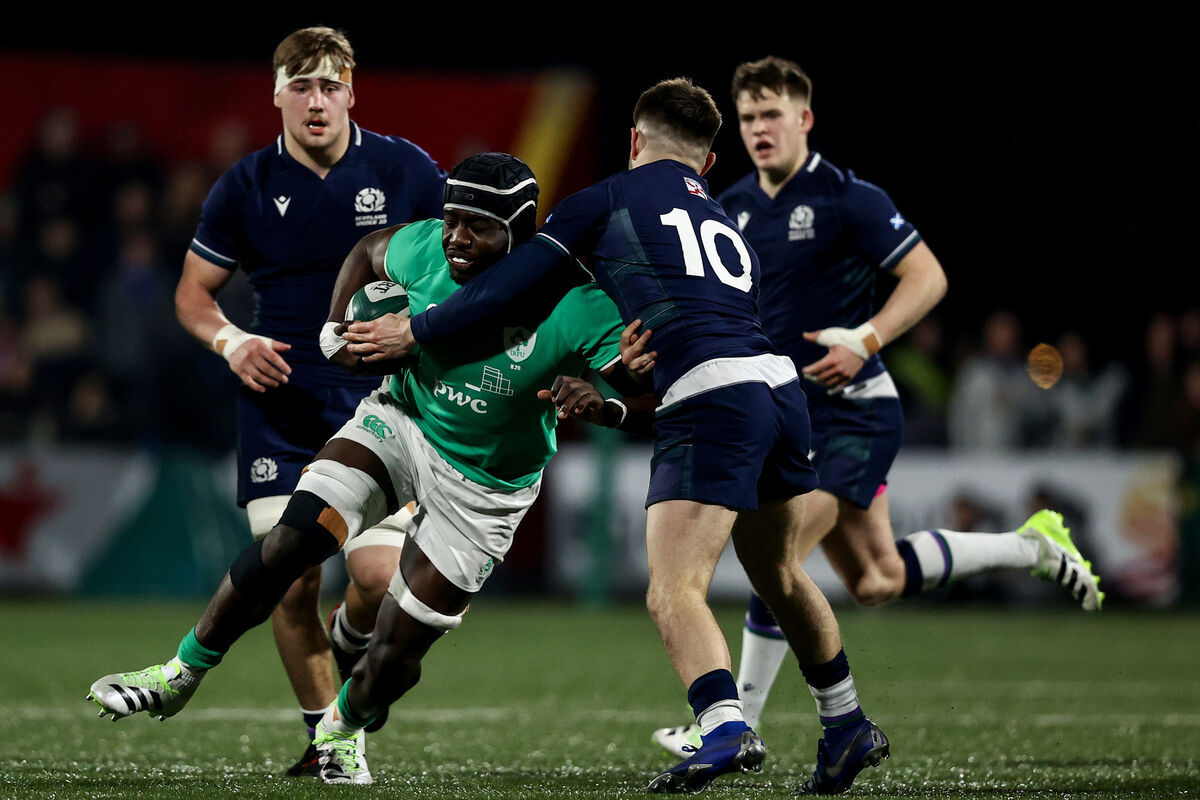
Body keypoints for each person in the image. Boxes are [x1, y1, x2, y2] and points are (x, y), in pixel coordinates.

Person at [360, 78, 889, 796]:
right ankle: (847, 722)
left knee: (674, 588)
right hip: (779, 389)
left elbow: (511, 286)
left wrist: (414, 328)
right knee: (782, 574)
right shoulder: (729, 224)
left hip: (713, 397)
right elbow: (675, 331)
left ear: (636, 141)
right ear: (707, 163)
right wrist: (610, 375)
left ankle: (726, 727)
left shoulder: (607, 199)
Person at [89, 152, 647, 785]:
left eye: (479, 227)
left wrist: (606, 403)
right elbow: (371, 248)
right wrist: (333, 326)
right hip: (401, 423)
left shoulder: (576, 299)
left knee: (396, 658)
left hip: (487, 486)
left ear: (519, 230)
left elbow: (636, 387)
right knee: (293, 540)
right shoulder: (427, 250)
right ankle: (180, 673)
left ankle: (341, 727)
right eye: (452, 219)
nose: (457, 238)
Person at [635, 56, 1104, 765]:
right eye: (751, 117)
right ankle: (1033, 546)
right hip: (789, 414)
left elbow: (930, 276)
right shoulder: (727, 207)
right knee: (876, 579)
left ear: (805, 119)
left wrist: (868, 338)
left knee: (777, 559)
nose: (762, 129)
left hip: (853, 413)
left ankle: (736, 721)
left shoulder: (845, 197)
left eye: (774, 115)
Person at [170, 26, 446, 776]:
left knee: (379, 583)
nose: (315, 100)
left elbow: (460, 270)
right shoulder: (246, 186)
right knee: (289, 584)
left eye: (329, 85)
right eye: (301, 85)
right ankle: (332, 742)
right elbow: (194, 296)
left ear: (352, 92)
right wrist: (233, 342)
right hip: (280, 415)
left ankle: (351, 639)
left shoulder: (407, 170)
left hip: (382, 409)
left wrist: (417, 331)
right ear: (277, 96)